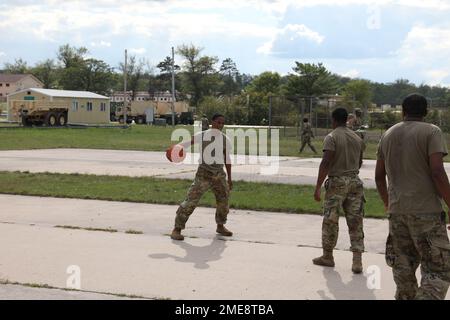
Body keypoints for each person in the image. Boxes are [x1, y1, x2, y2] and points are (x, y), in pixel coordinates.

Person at [375, 93, 450, 300]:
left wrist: (387, 203)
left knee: (404, 270)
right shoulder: (432, 132)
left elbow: (379, 177)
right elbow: (437, 172)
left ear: (402, 111)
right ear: (426, 112)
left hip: (398, 212)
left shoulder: (388, 134)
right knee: (438, 270)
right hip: (426, 212)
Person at [313, 108, 366, 274]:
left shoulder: (332, 137)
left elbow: (326, 162)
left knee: (331, 220)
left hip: (337, 182)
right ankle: (357, 260)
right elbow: (359, 162)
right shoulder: (357, 138)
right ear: (347, 119)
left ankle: (328, 256)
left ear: (333, 120)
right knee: (356, 221)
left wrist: (318, 187)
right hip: (355, 181)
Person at [169, 113, 233, 241]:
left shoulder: (225, 139)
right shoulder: (203, 135)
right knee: (190, 201)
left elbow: (227, 159)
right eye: (218, 122)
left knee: (223, 202)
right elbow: (188, 142)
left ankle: (220, 226)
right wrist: (177, 148)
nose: (220, 125)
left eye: (222, 123)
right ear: (212, 122)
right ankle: (177, 229)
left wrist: (230, 179)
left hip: (219, 175)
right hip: (204, 174)